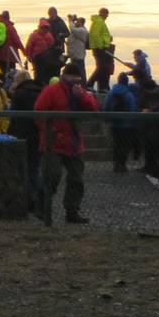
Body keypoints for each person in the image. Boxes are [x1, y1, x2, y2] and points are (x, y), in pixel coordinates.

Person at [34, 60, 98, 223]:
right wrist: (50, 132)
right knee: (52, 176)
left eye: (77, 78)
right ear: (65, 76)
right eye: (73, 77)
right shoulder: (52, 91)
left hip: (73, 142)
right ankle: (42, 208)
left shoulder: (79, 92)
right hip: (53, 141)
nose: (75, 81)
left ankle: (72, 212)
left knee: (76, 179)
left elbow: (93, 109)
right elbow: (39, 112)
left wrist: (82, 97)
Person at [7, 68, 44, 212]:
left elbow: (13, 115)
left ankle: (26, 200)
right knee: (35, 168)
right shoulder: (40, 90)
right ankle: (38, 198)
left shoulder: (20, 94)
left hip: (21, 135)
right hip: (38, 134)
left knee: (22, 169)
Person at [104, 72, 140, 173]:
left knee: (116, 144)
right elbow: (133, 108)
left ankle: (116, 164)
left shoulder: (111, 93)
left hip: (114, 124)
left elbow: (106, 107)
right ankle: (122, 165)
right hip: (126, 125)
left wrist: (107, 119)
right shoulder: (128, 94)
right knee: (124, 145)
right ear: (127, 82)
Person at [25, 18, 63, 85]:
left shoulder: (49, 35)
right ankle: (37, 84)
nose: (45, 29)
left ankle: (43, 84)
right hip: (36, 58)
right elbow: (29, 46)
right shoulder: (34, 35)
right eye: (44, 27)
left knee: (45, 73)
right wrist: (28, 56)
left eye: (46, 28)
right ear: (40, 27)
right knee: (37, 72)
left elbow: (52, 46)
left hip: (47, 59)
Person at [88, 9, 115, 93]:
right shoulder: (99, 22)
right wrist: (101, 46)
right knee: (101, 67)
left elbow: (100, 34)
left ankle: (103, 87)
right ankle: (90, 84)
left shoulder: (99, 22)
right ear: (102, 13)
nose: (107, 16)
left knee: (103, 68)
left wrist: (108, 38)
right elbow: (95, 34)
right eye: (106, 14)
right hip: (99, 48)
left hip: (100, 47)